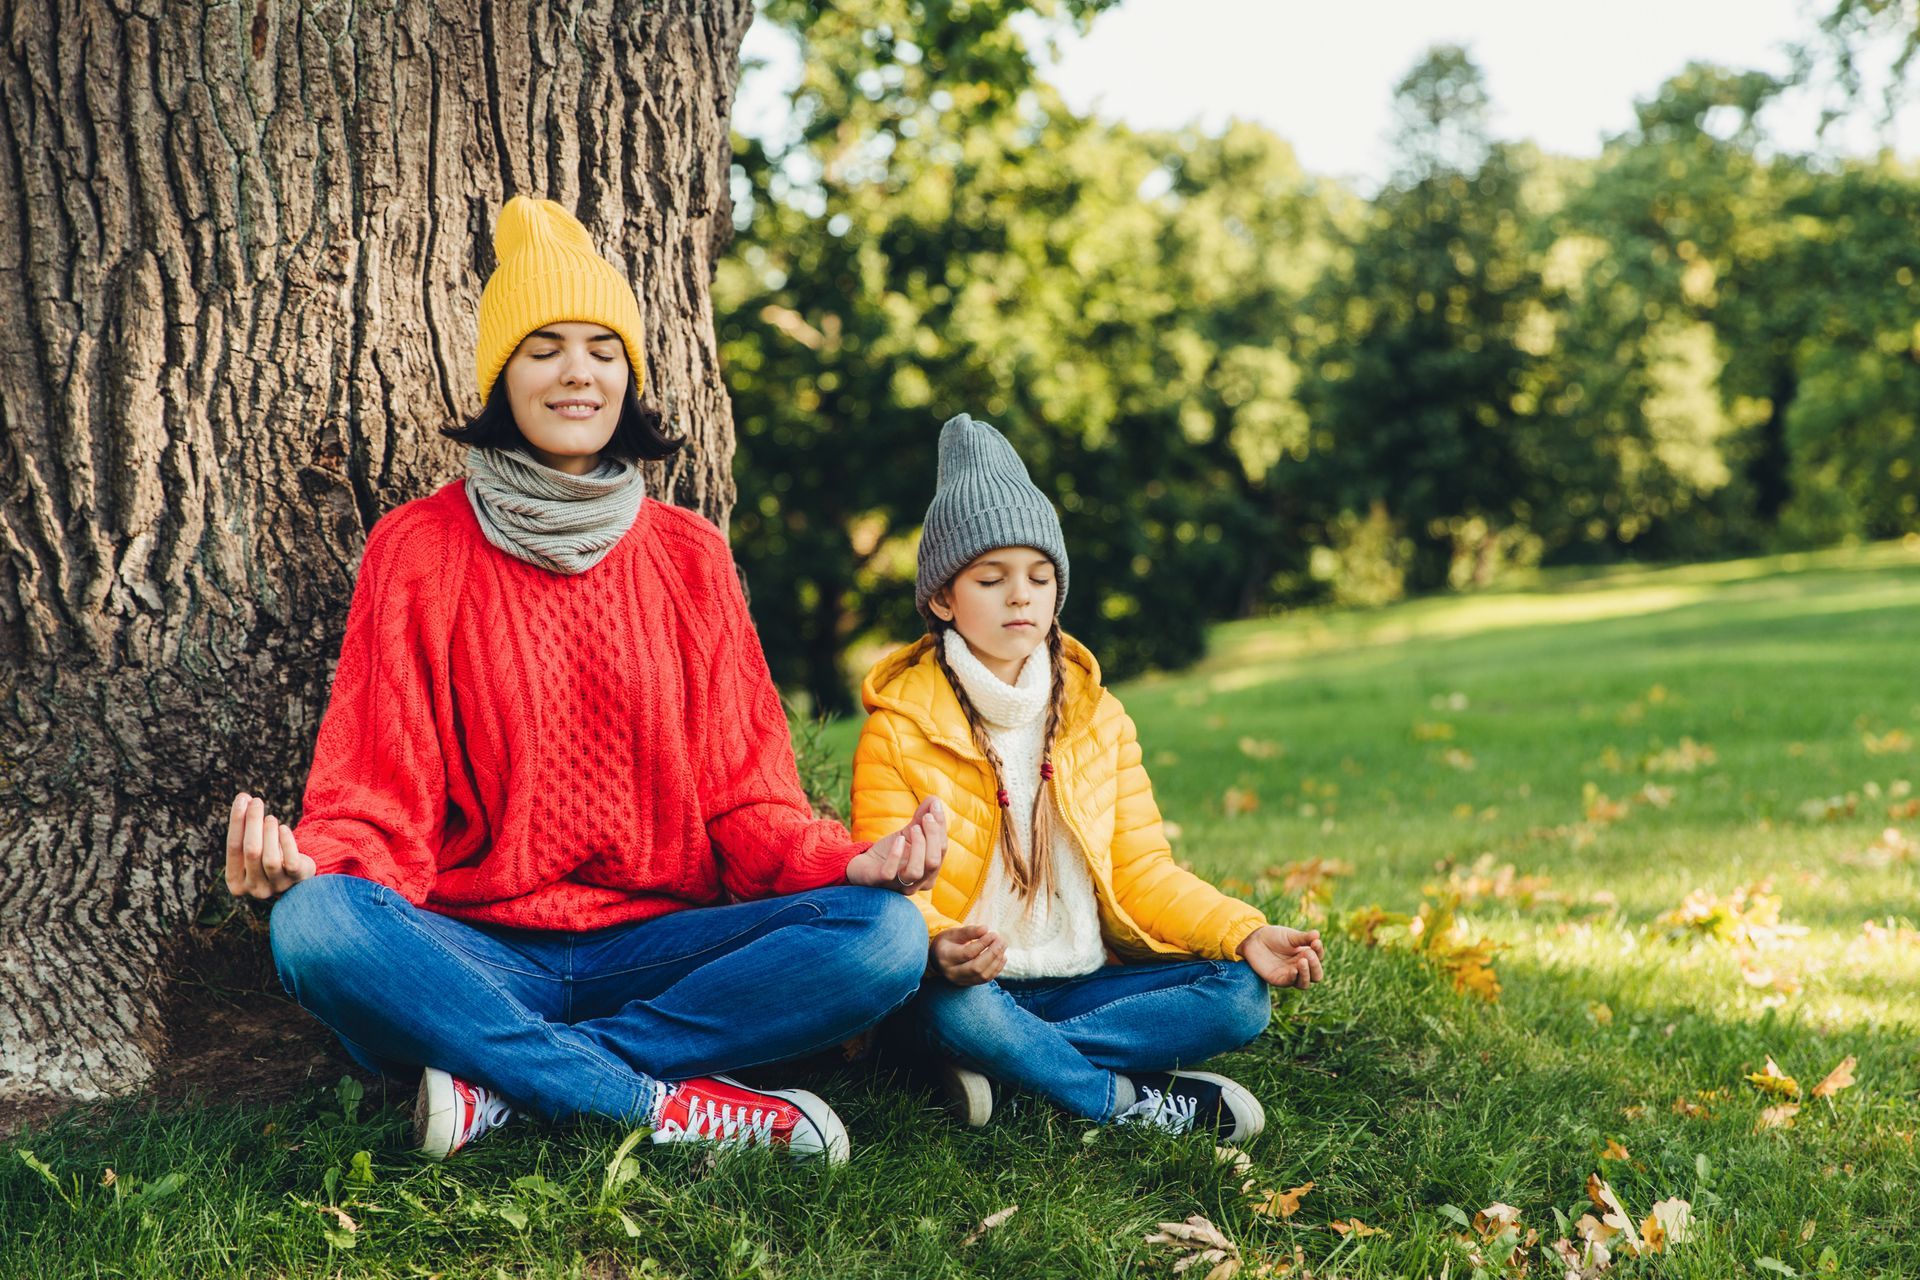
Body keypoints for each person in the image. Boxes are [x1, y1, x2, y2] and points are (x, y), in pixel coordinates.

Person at [226, 196, 946, 1163]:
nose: (578, 372)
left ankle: (519, 1084)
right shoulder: (420, 548)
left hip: (662, 956)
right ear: (502, 379)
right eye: (545, 347)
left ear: (631, 374)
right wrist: (309, 871)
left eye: (603, 347)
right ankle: (662, 1103)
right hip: (474, 954)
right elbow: (374, 796)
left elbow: (745, 801)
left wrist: (843, 864)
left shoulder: (689, 556)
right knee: (317, 929)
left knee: (886, 938)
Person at [851, 413, 1325, 1143]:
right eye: (992, 577)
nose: (1021, 597)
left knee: (1239, 997)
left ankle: (1009, 1073)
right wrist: (941, 947)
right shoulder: (899, 727)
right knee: (958, 1013)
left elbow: (1142, 874)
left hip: (1088, 986)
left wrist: (1245, 931)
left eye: (1041, 577)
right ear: (944, 597)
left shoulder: (1097, 718)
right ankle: (1120, 1103)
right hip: (970, 990)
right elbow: (891, 900)